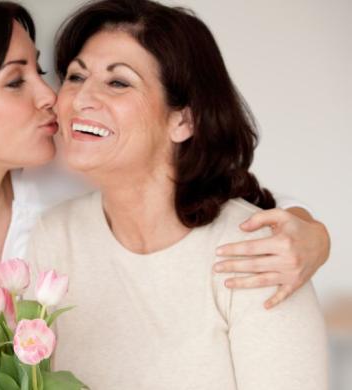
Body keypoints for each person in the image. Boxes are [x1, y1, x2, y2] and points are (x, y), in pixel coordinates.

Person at [0, 0, 330, 336]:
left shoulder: (62, 191)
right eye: (16, 80)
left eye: (44, 72)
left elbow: (190, 202)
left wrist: (311, 234)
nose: (52, 97)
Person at [26, 0, 327, 388]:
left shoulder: (259, 253)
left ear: (183, 120)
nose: (81, 99)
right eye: (75, 76)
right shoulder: (56, 235)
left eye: (118, 82)